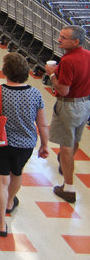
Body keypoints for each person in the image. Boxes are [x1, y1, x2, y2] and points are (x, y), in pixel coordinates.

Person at [0, 53, 49, 237]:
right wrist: (44, 145)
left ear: (5, 72)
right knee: (17, 173)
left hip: (1, 142)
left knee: (0, 182)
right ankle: (10, 201)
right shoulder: (35, 93)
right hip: (25, 144)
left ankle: (2, 223)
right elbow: (42, 124)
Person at [46, 25, 90, 203]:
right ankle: (66, 162)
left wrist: (52, 75)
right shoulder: (87, 55)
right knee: (75, 139)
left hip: (68, 106)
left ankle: (68, 188)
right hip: (84, 104)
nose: (59, 39)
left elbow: (63, 90)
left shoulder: (68, 60)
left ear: (76, 41)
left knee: (65, 146)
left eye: (64, 37)